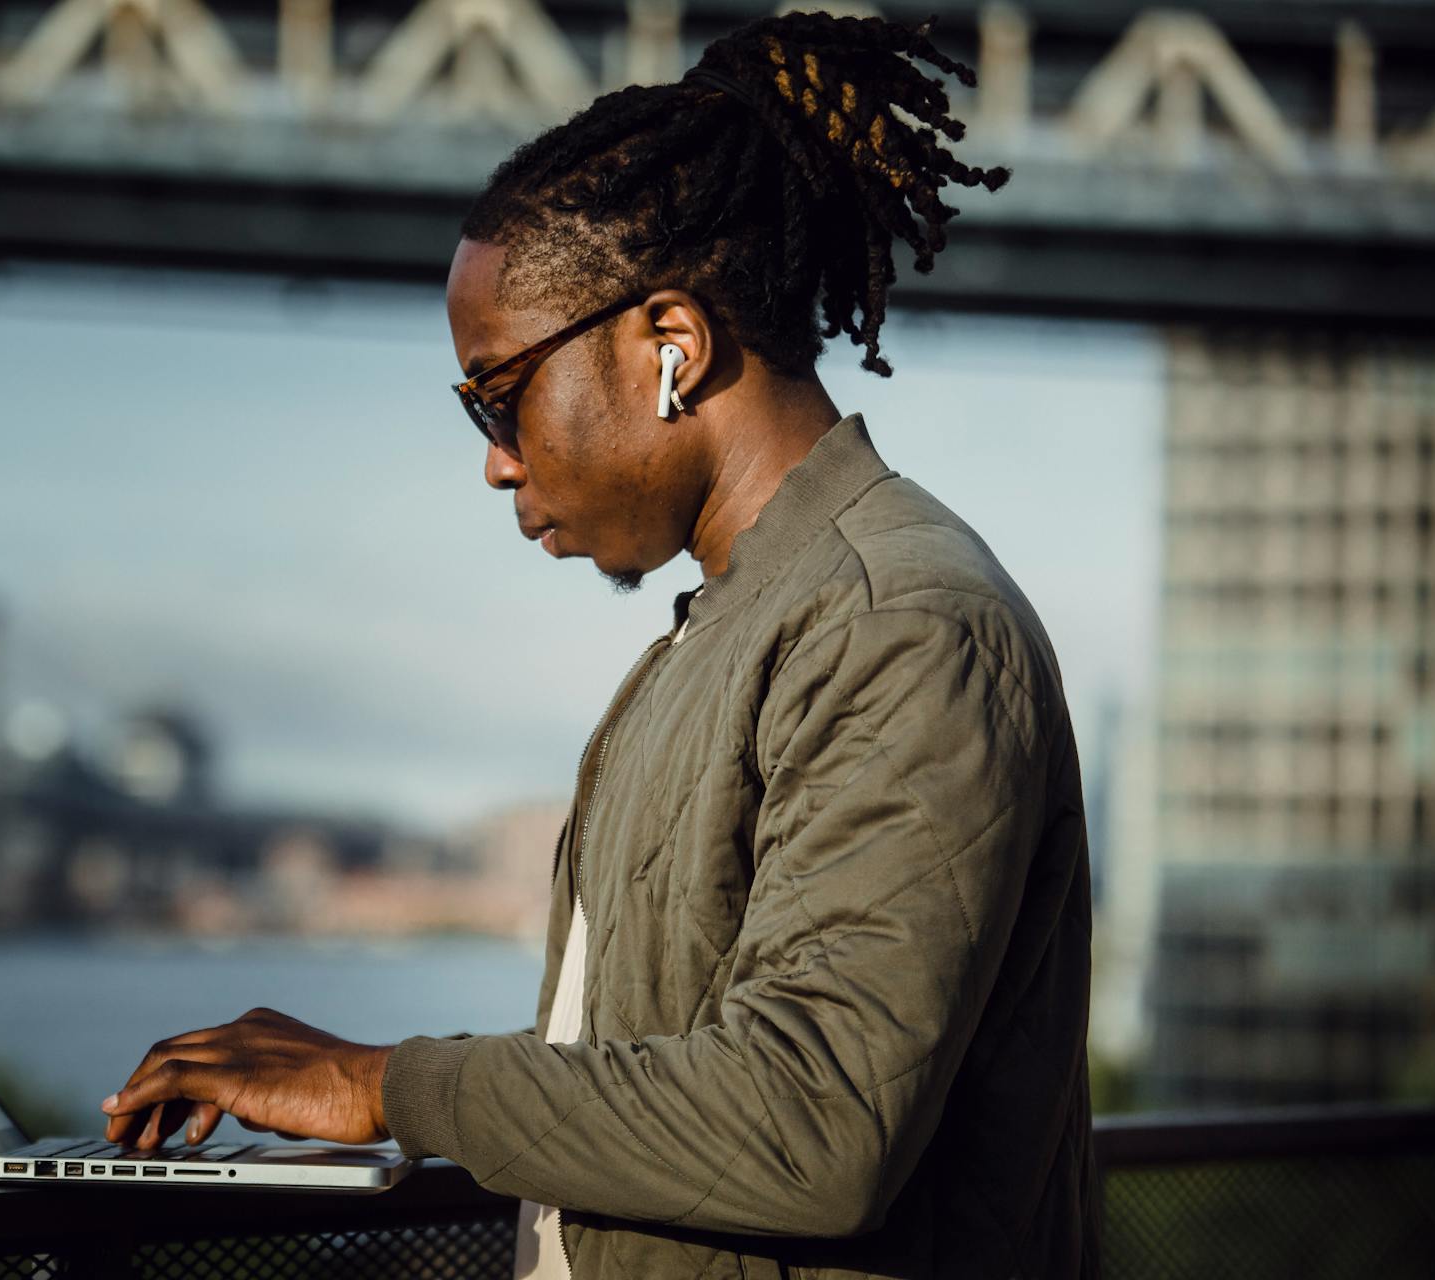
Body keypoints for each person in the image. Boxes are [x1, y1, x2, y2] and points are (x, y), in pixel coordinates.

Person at [98, 10, 1099, 1277]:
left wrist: (388, 1084)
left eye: (499, 392)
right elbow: (645, 1060)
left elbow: (814, 1121)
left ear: (671, 346)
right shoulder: (730, 631)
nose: (495, 458)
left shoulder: (900, 626)